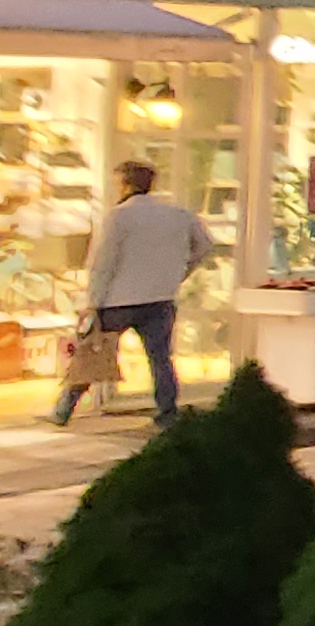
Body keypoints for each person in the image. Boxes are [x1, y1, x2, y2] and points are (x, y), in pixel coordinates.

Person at [54, 158, 218, 427]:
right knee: (160, 359)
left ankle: (64, 409)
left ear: (124, 183)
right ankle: (167, 412)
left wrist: (92, 301)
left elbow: (103, 263)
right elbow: (205, 247)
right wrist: (179, 273)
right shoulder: (178, 215)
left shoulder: (119, 217)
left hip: (117, 301)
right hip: (160, 298)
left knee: (92, 352)